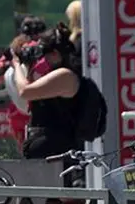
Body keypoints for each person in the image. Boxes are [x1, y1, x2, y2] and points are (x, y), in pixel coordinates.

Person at [12, 23, 83, 161]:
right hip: (46, 149)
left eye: (43, 54)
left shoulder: (65, 75)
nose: (41, 59)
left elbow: (25, 91)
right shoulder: (52, 73)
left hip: (59, 150)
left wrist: (16, 66)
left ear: (56, 54)